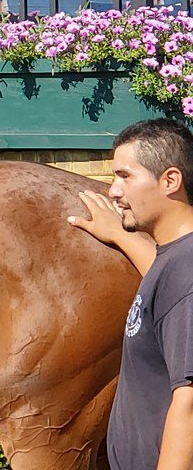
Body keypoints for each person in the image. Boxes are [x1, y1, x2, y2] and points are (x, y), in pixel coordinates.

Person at [69, 119, 193, 470]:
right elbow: (162, 275)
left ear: (170, 181)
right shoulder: (175, 261)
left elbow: (190, 401)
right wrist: (121, 236)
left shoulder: (187, 270)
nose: (113, 191)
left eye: (126, 176)